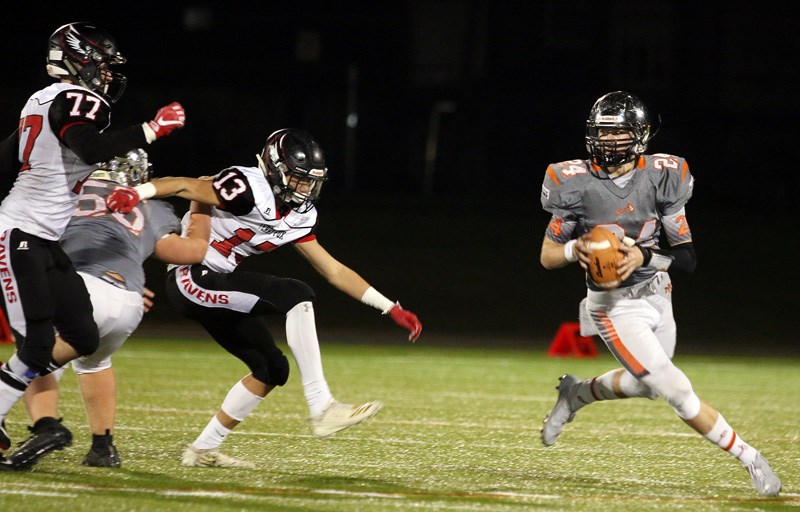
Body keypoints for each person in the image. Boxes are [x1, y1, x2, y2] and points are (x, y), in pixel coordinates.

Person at [106, 128, 422, 467]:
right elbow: (185, 184)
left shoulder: (301, 214)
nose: (305, 188)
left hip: (217, 283)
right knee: (295, 294)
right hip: (193, 278)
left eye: (310, 182)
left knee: (271, 368)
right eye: (299, 179)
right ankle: (322, 406)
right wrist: (136, 193)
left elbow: (333, 270)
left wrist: (389, 306)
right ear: (275, 168)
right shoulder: (249, 186)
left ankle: (201, 450)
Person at [538, 91, 781, 497]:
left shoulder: (665, 175)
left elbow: (685, 260)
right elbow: (547, 257)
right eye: (602, 132)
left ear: (641, 135)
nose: (608, 141)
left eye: (618, 134)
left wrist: (644, 256)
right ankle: (750, 457)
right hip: (613, 307)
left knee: (646, 385)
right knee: (675, 389)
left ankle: (575, 394)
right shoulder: (572, 181)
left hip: (657, 292)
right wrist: (572, 249)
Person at [0, 22, 186, 467]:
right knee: (37, 344)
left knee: (82, 334)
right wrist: (151, 129)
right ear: (80, 60)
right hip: (22, 233)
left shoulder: (38, 102)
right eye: (101, 66)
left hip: (42, 240)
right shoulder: (75, 97)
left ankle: (45, 426)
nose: (104, 76)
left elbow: (6, 157)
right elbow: (88, 147)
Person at [16, 149, 210, 469]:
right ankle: (102, 448)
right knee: (95, 362)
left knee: (32, 354)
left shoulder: (64, 193)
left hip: (79, 287)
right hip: (127, 302)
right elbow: (192, 251)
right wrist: (202, 202)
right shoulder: (148, 205)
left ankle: (45, 426)